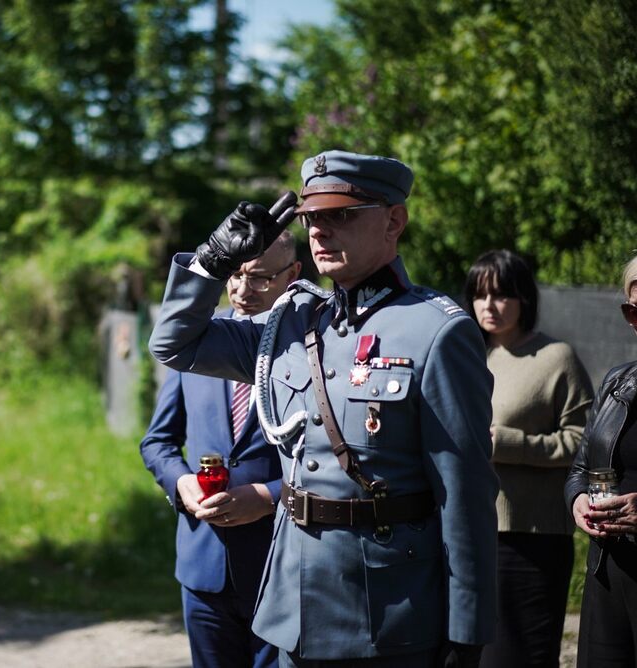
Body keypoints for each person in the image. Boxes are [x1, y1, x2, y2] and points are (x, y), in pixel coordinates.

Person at [148, 150, 498, 667]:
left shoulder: (437, 331)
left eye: (342, 215)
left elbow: (464, 494)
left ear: (393, 221)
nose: (321, 231)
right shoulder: (292, 322)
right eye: (313, 217)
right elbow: (174, 345)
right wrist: (213, 258)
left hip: (385, 613)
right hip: (291, 606)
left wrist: (465, 634)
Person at [141, 232, 301, 668]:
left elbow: (329, 462)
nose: (242, 290)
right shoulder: (197, 342)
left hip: (280, 566)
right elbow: (158, 441)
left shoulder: (311, 351)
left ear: (293, 275)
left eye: (261, 278)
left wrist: (269, 496)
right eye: (234, 274)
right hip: (203, 566)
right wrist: (181, 482)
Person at [463, 250, 593, 668]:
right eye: (480, 295)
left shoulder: (556, 359)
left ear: (524, 299)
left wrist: (510, 442)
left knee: (520, 658)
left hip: (531, 538)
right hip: (466, 534)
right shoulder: (465, 356)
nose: (489, 306)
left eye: (502, 295)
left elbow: (583, 444)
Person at [565, 253, 637, 668]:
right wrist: (577, 501)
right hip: (608, 573)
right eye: (632, 309)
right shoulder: (618, 380)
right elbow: (580, 468)